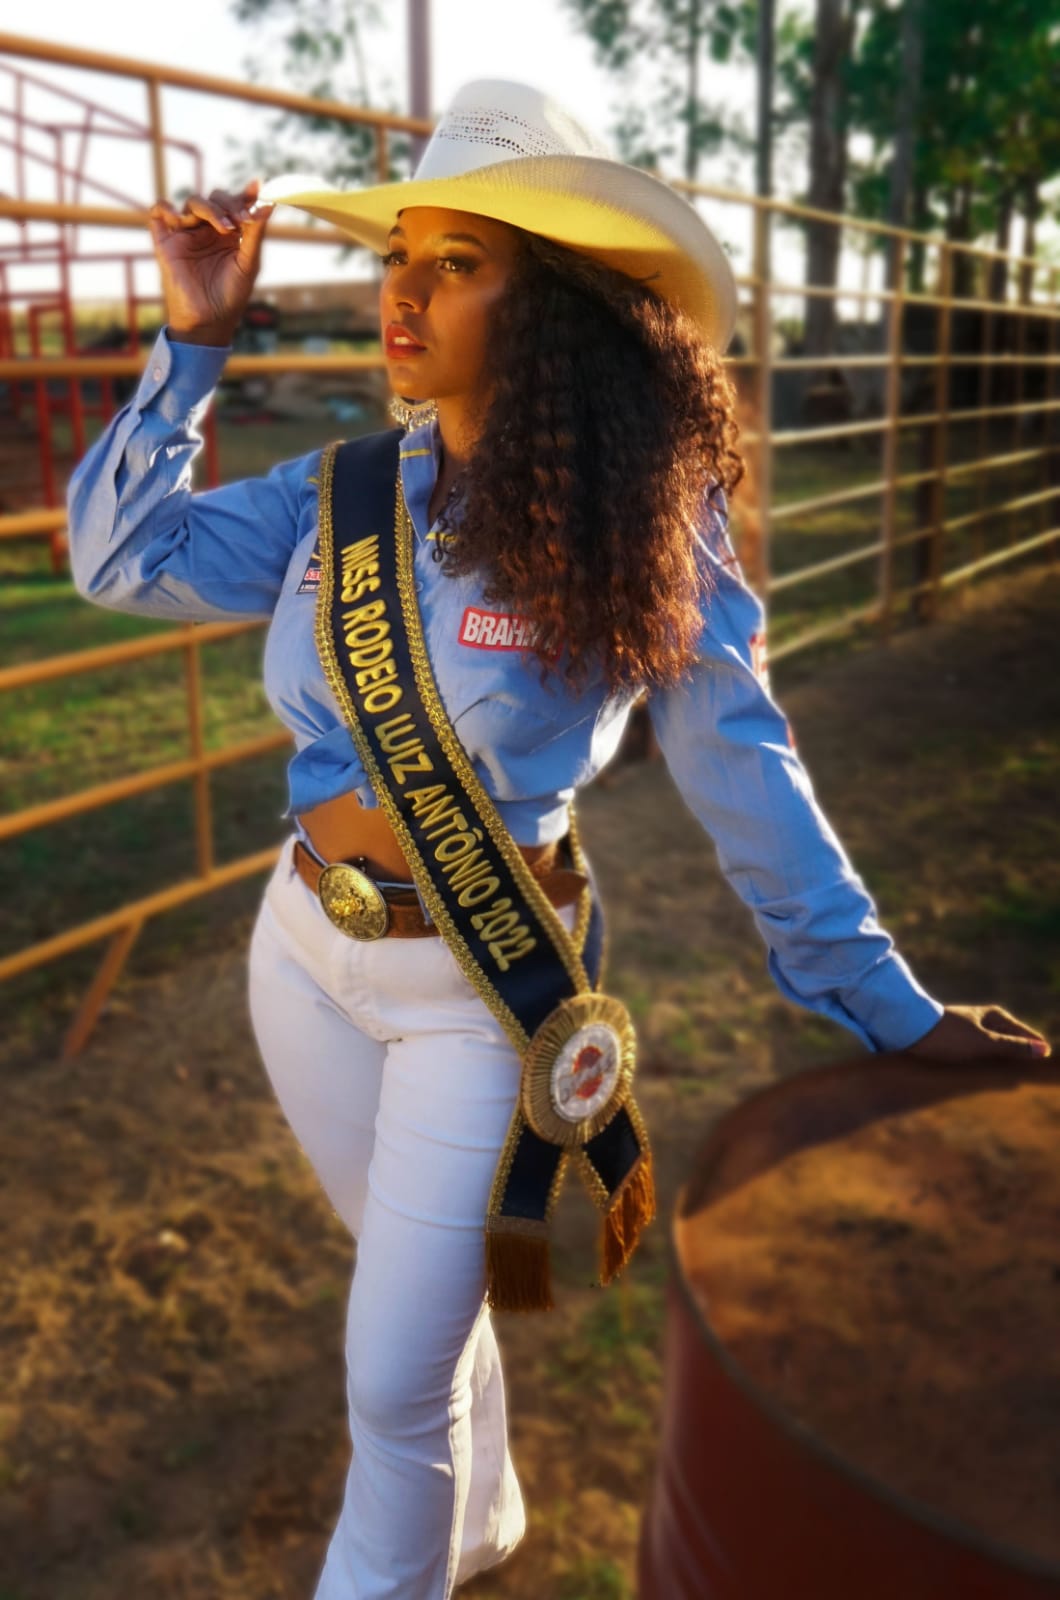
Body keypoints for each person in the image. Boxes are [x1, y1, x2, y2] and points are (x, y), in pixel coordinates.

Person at [66, 78, 1051, 1600]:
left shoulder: (643, 521)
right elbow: (121, 555)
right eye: (404, 255)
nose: (405, 287)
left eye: (459, 262)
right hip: (302, 956)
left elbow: (744, 764)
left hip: (482, 988)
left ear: (555, 307)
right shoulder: (337, 494)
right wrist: (195, 338)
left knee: (390, 1381)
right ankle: (479, 1519)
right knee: (419, 1315)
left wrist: (885, 1006)